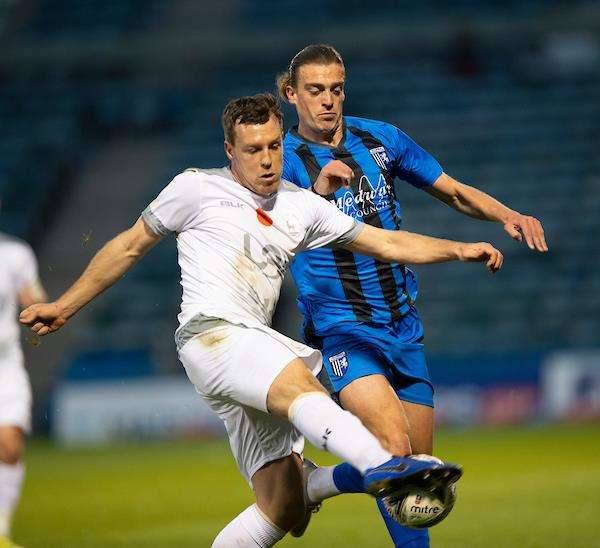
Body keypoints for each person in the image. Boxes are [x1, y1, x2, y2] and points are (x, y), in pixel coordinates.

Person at [20, 93, 501, 547]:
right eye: (253, 149)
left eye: (274, 145)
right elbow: (128, 245)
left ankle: (321, 483)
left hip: (246, 350)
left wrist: (458, 248)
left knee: (282, 507)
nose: (267, 159)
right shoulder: (195, 188)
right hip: (214, 335)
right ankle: (382, 466)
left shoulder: (302, 205)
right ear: (230, 149)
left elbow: (389, 243)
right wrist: (65, 305)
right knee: (306, 391)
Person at [278, 44, 548, 547]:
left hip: (403, 326)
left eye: (336, 89)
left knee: (417, 479)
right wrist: (315, 193)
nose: (327, 101)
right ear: (292, 94)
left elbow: (453, 190)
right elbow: (278, 238)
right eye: (315, 91)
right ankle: (312, 484)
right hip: (343, 330)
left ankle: (315, 483)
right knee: (395, 450)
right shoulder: (284, 162)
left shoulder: (380, 138)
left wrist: (506, 214)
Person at [0, 229, 47, 548]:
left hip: (5, 363)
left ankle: (1, 531)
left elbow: (33, 296)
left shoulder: (16, 254)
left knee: (10, 445)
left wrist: (41, 307)